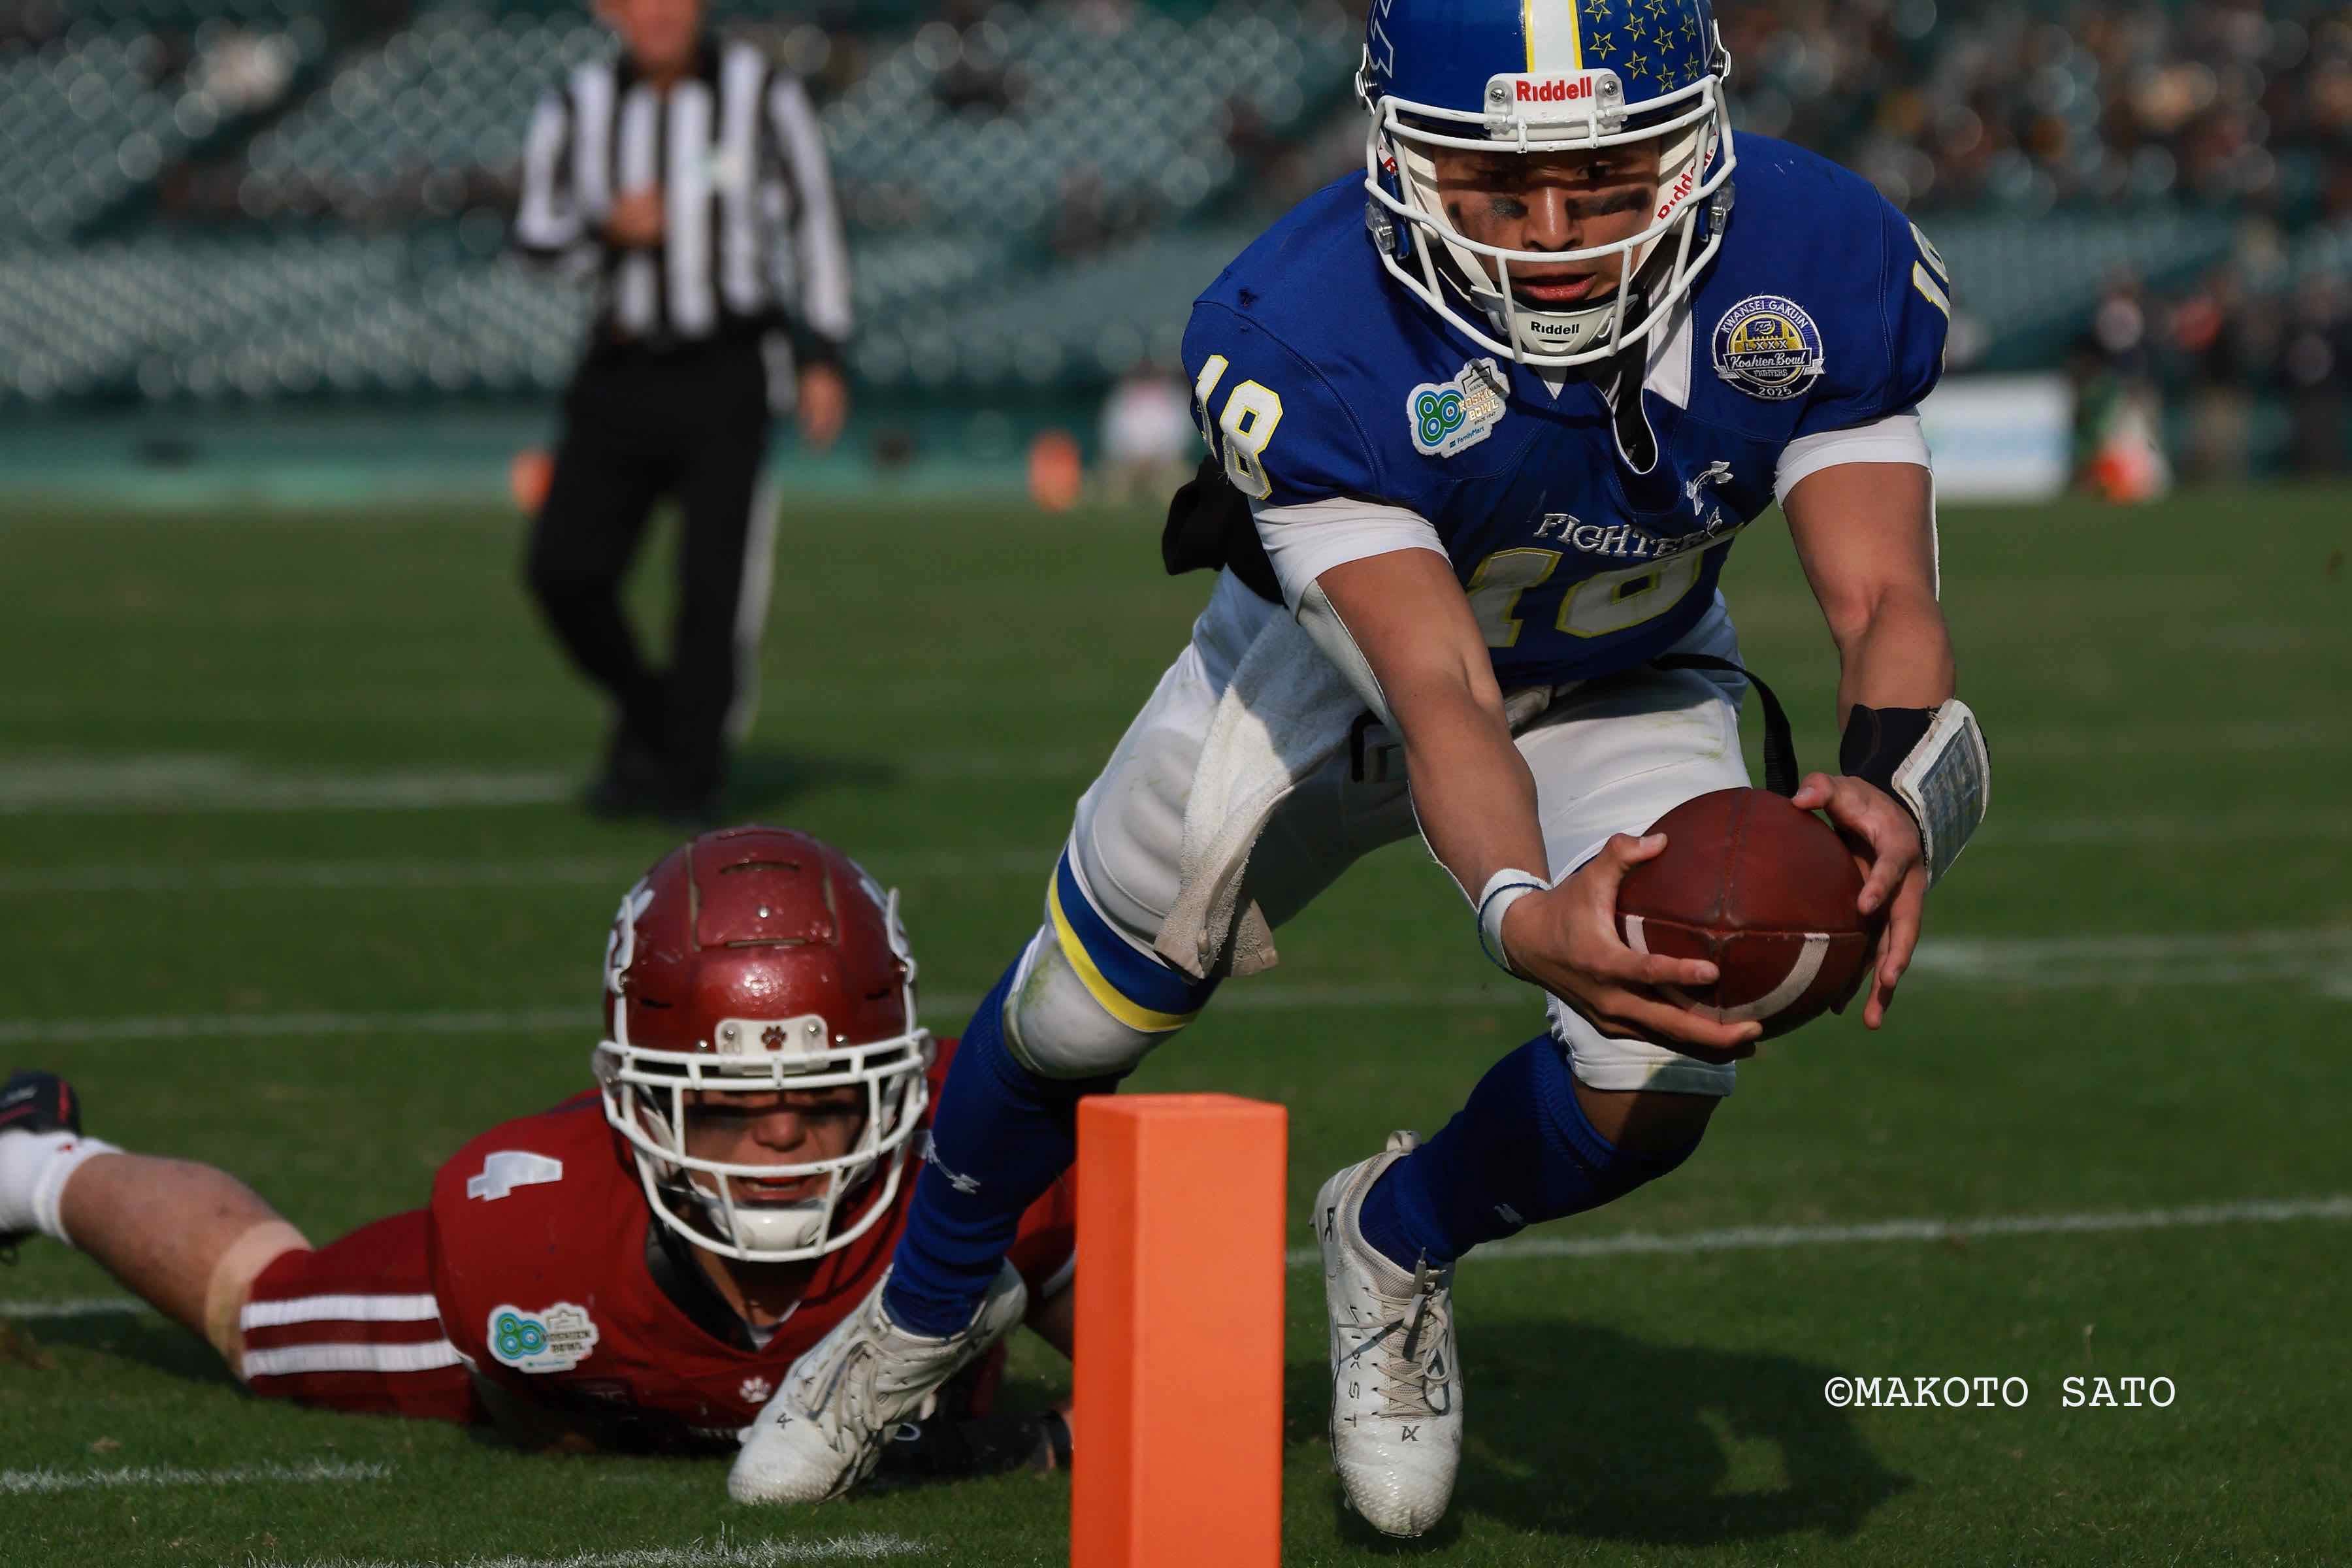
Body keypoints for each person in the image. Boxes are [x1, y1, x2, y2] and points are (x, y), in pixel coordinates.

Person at [729, 0, 1991, 1531]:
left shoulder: (1816, 256)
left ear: (1690, 146)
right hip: (1319, 673)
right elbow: (1438, 682)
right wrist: (1519, 906)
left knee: (1665, 1048)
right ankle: (919, 1312)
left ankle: (1395, 1234)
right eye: (1491, 183)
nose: (1547, 233)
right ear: (1401, 155)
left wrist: (1891, 788)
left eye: (1599, 177)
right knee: (1079, 1012)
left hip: (1629, 671)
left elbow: (1884, 600)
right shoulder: (1305, 323)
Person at [0, 828, 1073, 1469]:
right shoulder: (535, 1243)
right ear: (640, 1103)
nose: (780, 1133)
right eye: (726, 1105)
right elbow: (533, 1411)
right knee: (265, 1313)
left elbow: (1190, 1383)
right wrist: (606, 1414)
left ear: (896, 1080)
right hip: (594, 1329)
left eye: (823, 1095)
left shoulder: (994, 1154)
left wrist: (1026, 1445)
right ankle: (30, 1161)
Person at [514, 0, 853, 825]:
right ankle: (649, 711)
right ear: (609, 10)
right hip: (620, 366)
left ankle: (690, 776)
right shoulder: (577, 103)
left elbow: (815, 223)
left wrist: (823, 354)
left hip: (727, 369)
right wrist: (609, 229)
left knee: (713, 589)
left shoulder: (764, 95)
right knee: (563, 570)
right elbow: (533, 236)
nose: (660, 14)